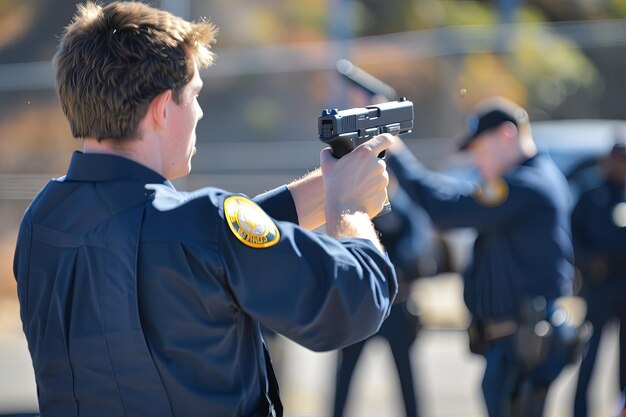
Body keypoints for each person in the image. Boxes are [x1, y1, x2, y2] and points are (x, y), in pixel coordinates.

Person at [12, 2, 398, 417]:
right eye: (194, 95)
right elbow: (356, 301)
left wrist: (333, 182)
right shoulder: (201, 228)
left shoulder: (43, 220)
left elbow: (192, 249)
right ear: (162, 108)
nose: (199, 111)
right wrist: (351, 208)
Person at [386, 97, 574, 417]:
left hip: (521, 347)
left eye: (480, 148)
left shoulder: (528, 184)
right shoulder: (528, 182)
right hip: (511, 344)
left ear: (506, 135)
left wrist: (397, 154)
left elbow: (446, 209)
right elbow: (456, 198)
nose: (477, 161)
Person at [332, 175, 433, 417]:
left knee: (406, 378)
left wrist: (381, 267)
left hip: (396, 306)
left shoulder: (403, 210)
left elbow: (416, 253)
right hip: (360, 307)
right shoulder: (355, 212)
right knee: (344, 378)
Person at [572, 143, 626, 417]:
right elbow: (571, 234)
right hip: (599, 286)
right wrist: (588, 260)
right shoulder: (592, 194)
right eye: (616, 160)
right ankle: (579, 411)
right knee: (588, 354)